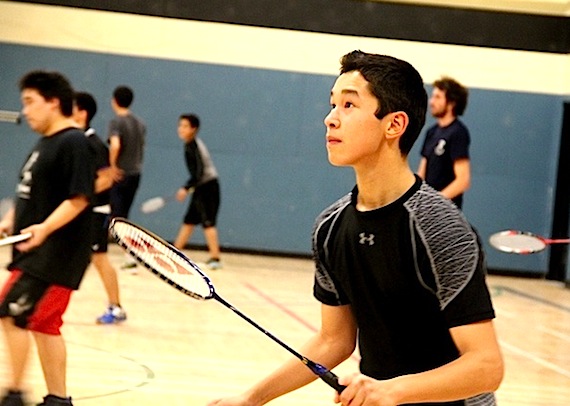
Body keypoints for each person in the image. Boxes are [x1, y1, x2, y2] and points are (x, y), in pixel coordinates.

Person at [208, 51, 503, 406]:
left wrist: (390, 389)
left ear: (394, 125)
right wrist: (252, 398)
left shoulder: (441, 228)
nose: (330, 119)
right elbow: (334, 340)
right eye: (333, 104)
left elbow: (486, 367)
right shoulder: (330, 228)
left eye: (349, 105)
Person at [0, 71, 95, 406]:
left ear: (54, 102)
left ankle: (13, 396)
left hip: (54, 254)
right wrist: (11, 219)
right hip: (34, 251)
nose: (25, 111)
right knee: (44, 324)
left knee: (10, 313)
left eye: (30, 102)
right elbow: (34, 193)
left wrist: (45, 229)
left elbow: (79, 197)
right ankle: (58, 400)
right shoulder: (46, 143)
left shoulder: (74, 141)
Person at [72, 92, 127, 324]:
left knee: (100, 258)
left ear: (82, 113)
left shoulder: (94, 144)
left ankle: (116, 307)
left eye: (70, 107)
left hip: (96, 211)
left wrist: (78, 195)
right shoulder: (74, 141)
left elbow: (106, 179)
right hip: (81, 211)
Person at [173, 114, 222, 270]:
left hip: (208, 187)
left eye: (185, 126)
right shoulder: (189, 144)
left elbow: (199, 172)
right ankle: (174, 253)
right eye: (180, 125)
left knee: (208, 222)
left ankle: (215, 259)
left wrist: (185, 188)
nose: (181, 129)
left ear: (194, 129)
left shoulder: (193, 146)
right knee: (189, 220)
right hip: (201, 186)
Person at [416, 77, 470, 209]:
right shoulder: (431, 132)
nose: (431, 102)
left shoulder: (458, 132)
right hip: (426, 211)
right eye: (432, 97)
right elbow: (421, 173)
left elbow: (463, 180)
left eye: (437, 97)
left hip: (446, 212)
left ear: (451, 103)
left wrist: (435, 202)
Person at [107, 85, 146, 270]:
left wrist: (113, 166)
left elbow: (115, 145)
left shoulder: (116, 122)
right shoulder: (140, 123)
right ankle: (128, 254)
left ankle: (127, 255)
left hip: (120, 174)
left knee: (114, 215)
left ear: (114, 100)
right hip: (136, 174)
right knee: (123, 216)